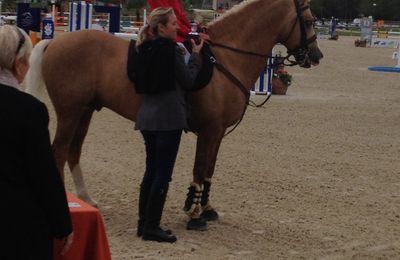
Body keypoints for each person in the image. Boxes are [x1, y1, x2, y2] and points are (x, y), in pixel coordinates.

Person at [0, 25, 73, 259]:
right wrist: (62, 223)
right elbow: (43, 173)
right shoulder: (29, 110)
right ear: (18, 63)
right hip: (15, 224)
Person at [132, 7, 204, 243]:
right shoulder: (172, 51)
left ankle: (144, 223)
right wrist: (196, 56)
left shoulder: (143, 48)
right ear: (161, 27)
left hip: (147, 118)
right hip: (169, 118)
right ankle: (152, 227)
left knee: (150, 171)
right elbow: (189, 80)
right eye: (173, 24)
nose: (177, 27)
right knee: (163, 174)